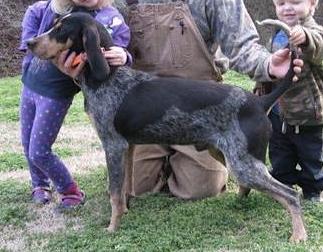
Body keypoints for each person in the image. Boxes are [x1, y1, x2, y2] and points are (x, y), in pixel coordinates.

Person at [59, 0, 304, 200]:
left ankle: (187, 161)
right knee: (138, 186)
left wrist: (269, 64)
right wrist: (79, 70)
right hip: (141, 109)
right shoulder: (119, 2)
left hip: (200, 107)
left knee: (200, 188)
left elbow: (243, 46)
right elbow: (98, 37)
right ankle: (164, 161)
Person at [19, 0, 131, 208]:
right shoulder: (45, 9)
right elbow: (30, 42)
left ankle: (70, 191)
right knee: (27, 144)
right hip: (29, 85)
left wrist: (124, 55)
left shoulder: (111, 18)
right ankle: (40, 184)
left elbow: (118, 48)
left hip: (56, 94)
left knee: (38, 150)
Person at [255, 0, 323, 202]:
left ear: (312, 4)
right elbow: (270, 68)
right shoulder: (277, 34)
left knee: (312, 158)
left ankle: (312, 192)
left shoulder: (316, 32)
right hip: (279, 112)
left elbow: (319, 48)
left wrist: (306, 38)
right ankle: (282, 185)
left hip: (309, 114)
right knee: (280, 153)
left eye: (295, 1)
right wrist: (261, 89)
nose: (287, 8)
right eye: (281, 3)